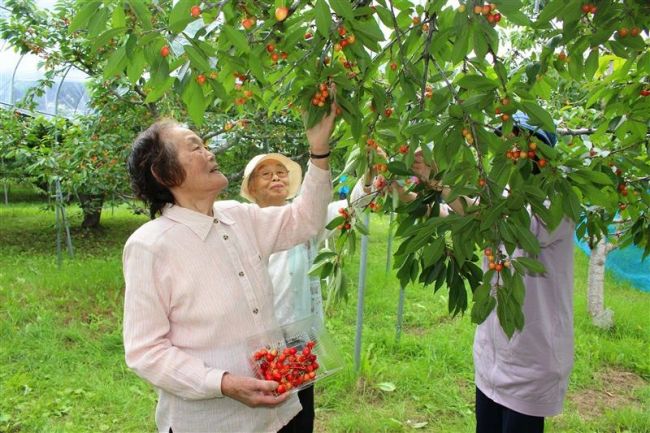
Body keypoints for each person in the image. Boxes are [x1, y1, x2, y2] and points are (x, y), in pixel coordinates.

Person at [121, 104, 337, 433]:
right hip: (215, 423)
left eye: (205, 145)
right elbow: (145, 351)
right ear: (165, 174)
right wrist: (222, 383)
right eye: (195, 147)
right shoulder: (151, 246)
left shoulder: (239, 216)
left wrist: (319, 151)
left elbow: (305, 220)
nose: (209, 153)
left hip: (279, 410)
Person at [411, 114, 574, 433]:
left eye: (519, 142)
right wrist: (421, 188)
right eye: (504, 141)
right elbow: (464, 215)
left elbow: (507, 227)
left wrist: (443, 183)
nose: (508, 151)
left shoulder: (559, 203)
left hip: (532, 361)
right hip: (492, 357)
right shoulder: (499, 198)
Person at [240, 152, 364, 433]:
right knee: (263, 414)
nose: (276, 177)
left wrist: (370, 178)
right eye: (266, 173)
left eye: (281, 172)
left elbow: (351, 209)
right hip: (260, 341)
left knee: (300, 414)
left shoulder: (307, 220)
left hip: (299, 338)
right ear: (252, 187)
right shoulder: (243, 226)